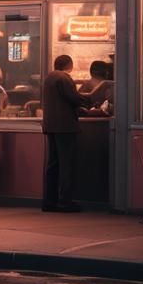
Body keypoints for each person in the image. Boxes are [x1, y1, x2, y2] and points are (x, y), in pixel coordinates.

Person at [42, 54, 93, 212]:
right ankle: (65, 201)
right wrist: (89, 101)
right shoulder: (64, 78)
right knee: (66, 164)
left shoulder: (49, 78)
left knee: (53, 164)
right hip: (65, 126)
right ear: (69, 65)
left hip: (51, 125)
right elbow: (73, 98)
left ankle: (49, 201)